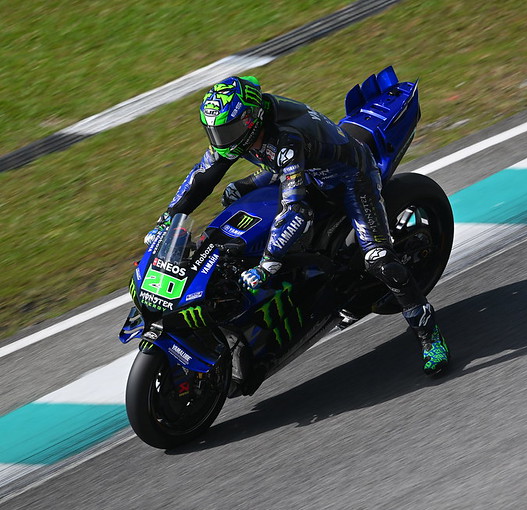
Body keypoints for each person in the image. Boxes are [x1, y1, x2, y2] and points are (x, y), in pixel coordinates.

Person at [144, 76, 449, 376]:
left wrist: (269, 262)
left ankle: (429, 336)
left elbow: (296, 210)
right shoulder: (241, 135)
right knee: (233, 194)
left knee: (379, 259)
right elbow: (200, 177)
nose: (222, 140)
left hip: (348, 177)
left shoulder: (286, 138)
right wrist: (167, 220)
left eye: (228, 131)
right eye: (214, 132)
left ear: (252, 120)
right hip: (297, 168)